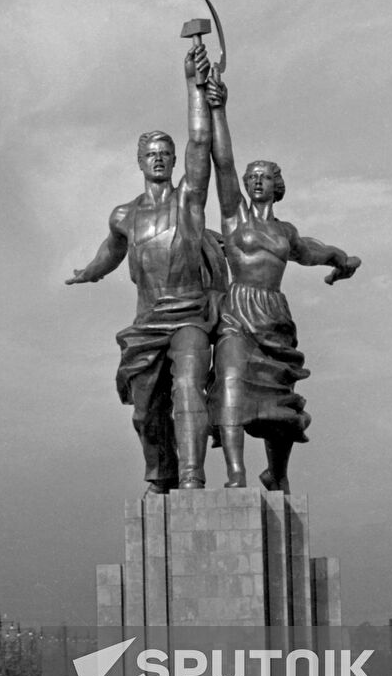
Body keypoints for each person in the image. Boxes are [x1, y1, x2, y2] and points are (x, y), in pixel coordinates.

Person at [66, 45, 226, 493]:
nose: (159, 159)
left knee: (188, 388)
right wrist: (90, 272)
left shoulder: (188, 200)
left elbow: (200, 141)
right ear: (140, 162)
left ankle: (193, 476)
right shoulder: (124, 215)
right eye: (151, 154)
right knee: (144, 411)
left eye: (165, 153)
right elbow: (112, 250)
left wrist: (194, 85)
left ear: (174, 162)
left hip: (189, 315)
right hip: (147, 322)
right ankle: (163, 474)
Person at [205, 68, 361, 492]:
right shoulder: (233, 216)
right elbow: (223, 161)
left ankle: (277, 473)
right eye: (251, 176)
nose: (255, 179)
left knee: (278, 402)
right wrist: (218, 109)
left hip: (273, 316)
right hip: (238, 311)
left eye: (264, 176)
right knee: (231, 381)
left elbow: (315, 251)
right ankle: (235, 472)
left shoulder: (286, 232)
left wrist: (341, 260)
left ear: (277, 186)